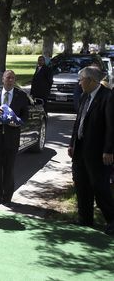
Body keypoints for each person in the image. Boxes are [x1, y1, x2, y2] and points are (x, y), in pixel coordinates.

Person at [68, 66, 114, 236]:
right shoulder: (84, 96)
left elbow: (111, 126)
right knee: (82, 184)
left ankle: (111, 220)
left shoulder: (107, 97)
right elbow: (77, 122)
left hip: (98, 152)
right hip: (81, 149)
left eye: (82, 80)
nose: (79, 83)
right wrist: (72, 143)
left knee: (99, 186)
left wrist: (109, 150)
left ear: (92, 81)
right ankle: (85, 218)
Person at [0, 70, 29, 204]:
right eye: (8, 78)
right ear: (2, 79)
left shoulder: (21, 95)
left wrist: (17, 123)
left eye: (13, 78)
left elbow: (25, 117)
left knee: (9, 169)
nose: (10, 80)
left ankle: (7, 197)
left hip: (12, 139)